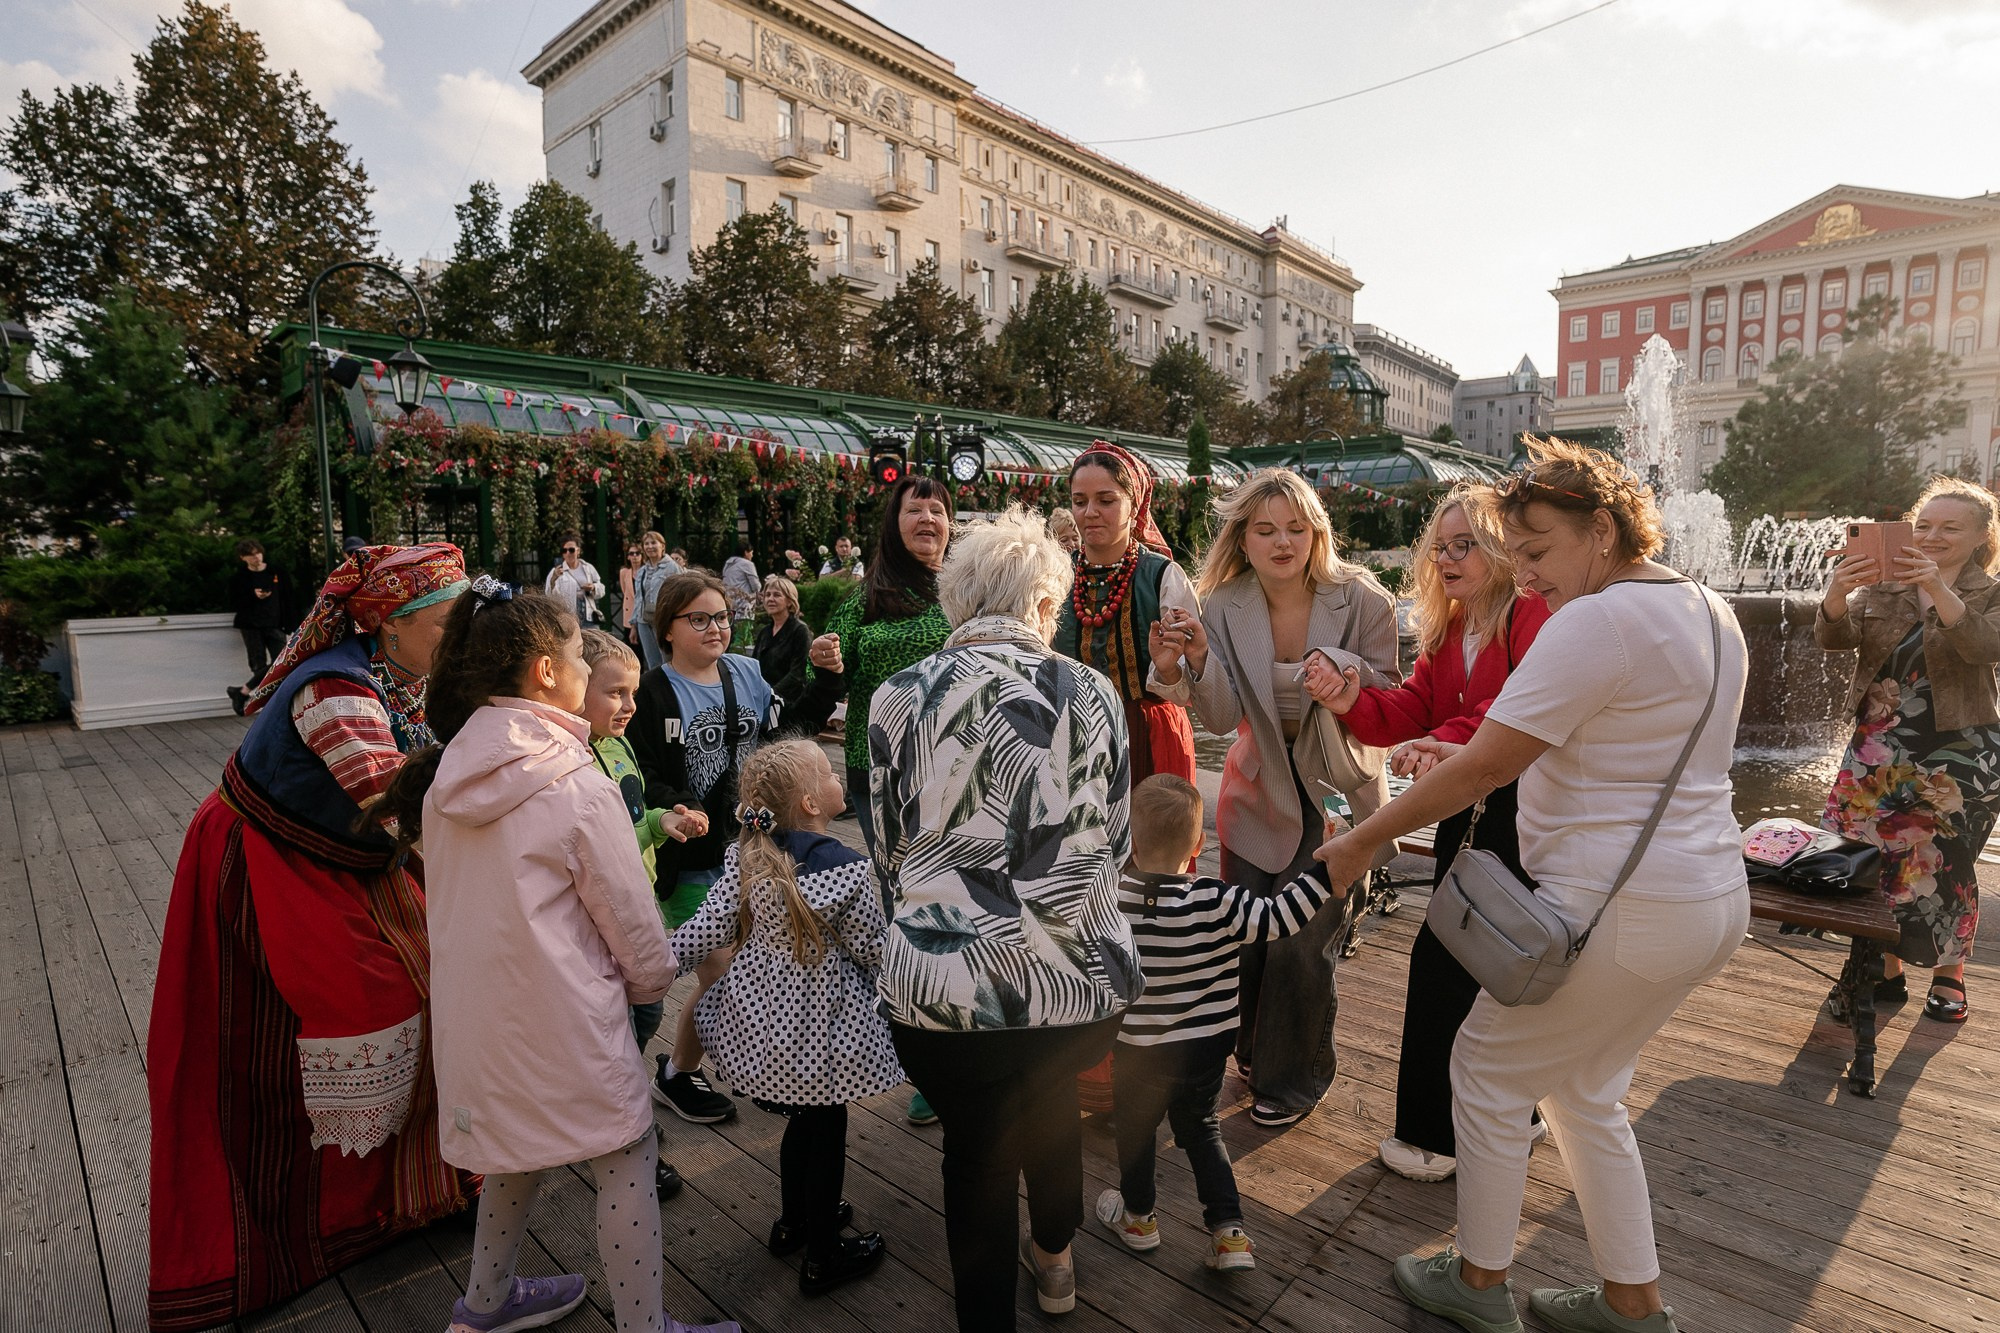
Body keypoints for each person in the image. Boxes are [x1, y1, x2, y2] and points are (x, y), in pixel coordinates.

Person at [1317, 437, 1748, 1333]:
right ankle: (1631, 1302)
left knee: (1483, 1071)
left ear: (1603, 530)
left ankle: (1477, 1285)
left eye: (1541, 551)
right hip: (1708, 901)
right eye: (1517, 556)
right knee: (1586, 1090)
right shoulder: (1713, 609)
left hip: (1616, 910)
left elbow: (1483, 768)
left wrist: (1362, 841)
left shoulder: (1600, 620)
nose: (1531, 576)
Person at [374, 583, 736, 1333]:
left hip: (476, 1016)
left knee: (514, 1149)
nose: (582, 661)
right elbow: (635, 929)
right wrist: (649, 983)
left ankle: (486, 1302)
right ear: (545, 670)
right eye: (576, 652)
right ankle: (644, 1325)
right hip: (567, 1014)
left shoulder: (446, 776)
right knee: (627, 1154)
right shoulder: (576, 782)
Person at [147, 544, 472, 1330]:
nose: (456, 638)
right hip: (273, 864)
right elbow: (400, 810)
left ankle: (413, 1190)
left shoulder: (394, 671)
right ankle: (309, 1223)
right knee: (333, 1020)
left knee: (434, 990)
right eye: (444, 624)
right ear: (389, 625)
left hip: (348, 858)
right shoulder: (336, 692)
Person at [869, 506, 1140, 1332]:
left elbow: (889, 850)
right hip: (1080, 983)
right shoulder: (1093, 692)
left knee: (977, 1151)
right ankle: (1055, 1262)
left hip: (943, 991)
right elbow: (1117, 842)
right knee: (1051, 1097)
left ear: (956, 604)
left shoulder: (897, 696)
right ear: (1045, 607)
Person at [1318, 484, 1552, 1182]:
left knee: (1450, 960)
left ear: (1501, 551)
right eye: (1440, 545)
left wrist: (1441, 743)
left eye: (1465, 544)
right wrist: (1352, 698)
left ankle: (1433, 1139)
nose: (1447, 558)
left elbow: (1512, 714)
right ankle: (1520, 1112)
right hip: (1469, 806)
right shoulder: (1454, 624)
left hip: (1519, 810)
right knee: (1493, 960)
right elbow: (1417, 707)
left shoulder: (1531, 616)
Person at [1154, 467, 1400, 1128]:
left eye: (1295, 527)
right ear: (1244, 535)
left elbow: (1391, 696)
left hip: (1338, 797)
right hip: (1255, 796)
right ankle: (1254, 1053)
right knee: (1251, 936)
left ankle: (1297, 1078)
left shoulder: (1365, 598)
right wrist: (1199, 660)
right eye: (1265, 529)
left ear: (1317, 530)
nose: (1282, 541)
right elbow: (1219, 714)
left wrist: (1344, 672)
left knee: (1304, 943)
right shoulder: (1225, 605)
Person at [670, 740, 902, 1296]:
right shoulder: (847, 872)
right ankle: (824, 1253)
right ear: (811, 803)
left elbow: (705, 931)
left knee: (803, 1123)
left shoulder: (750, 858)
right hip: (825, 1030)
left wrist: (644, 966)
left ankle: (794, 1220)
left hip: (764, 1020)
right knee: (825, 1129)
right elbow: (873, 949)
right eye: (827, 771)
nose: (836, 773)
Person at [1096, 775, 1342, 1274]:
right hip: (1206, 1049)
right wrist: (1326, 867)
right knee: (1203, 1131)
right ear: (1199, 843)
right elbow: (1282, 918)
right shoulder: (1216, 899)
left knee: (1137, 1134)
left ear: (1129, 840)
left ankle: (1140, 1218)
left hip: (1138, 1052)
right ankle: (1228, 1233)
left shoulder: (1112, 902)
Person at [796, 474, 954, 1127]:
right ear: (894, 523)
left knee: (961, 898)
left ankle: (965, 1037)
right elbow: (821, 674)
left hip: (959, 767)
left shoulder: (969, 584)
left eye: (937, 508)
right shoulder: (867, 595)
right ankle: (927, 1061)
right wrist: (824, 659)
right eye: (913, 507)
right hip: (882, 770)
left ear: (950, 522)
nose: (926, 516)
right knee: (908, 911)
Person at [1819, 475, 2000, 1025]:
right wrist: (1835, 594)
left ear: (1980, 539)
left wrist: (1940, 589)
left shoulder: (1991, 591)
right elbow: (1836, 639)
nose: (1933, 535)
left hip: (1960, 751)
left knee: (1945, 866)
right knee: (1877, 860)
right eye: (1924, 525)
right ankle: (1887, 969)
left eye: (1951, 527)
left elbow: (1985, 646)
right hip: (1879, 745)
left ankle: (1950, 976)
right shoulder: (1884, 588)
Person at [630, 571, 780, 1124]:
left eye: (721, 616)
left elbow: (788, 729)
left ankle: (678, 1072)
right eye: (699, 618)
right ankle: (762, 1067)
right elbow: (640, 772)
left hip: (750, 848)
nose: (715, 628)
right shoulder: (650, 692)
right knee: (725, 972)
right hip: (688, 857)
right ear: (666, 628)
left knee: (743, 967)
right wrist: (675, 808)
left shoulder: (746, 673)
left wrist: (827, 676)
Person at [578, 628, 711, 1200]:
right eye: (614, 694)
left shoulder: (618, 745)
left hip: (643, 899)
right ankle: (625, 1129)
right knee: (628, 1021)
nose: (630, 706)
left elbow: (635, 814)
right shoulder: (575, 757)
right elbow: (596, 840)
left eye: (633, 693)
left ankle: (620, 1104)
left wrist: (665, 818)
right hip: (607, 917)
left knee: (645, 1013)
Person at [1056, 442, 1200, 786]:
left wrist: (1167, 670)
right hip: (1071, 735)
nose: (1090, 512)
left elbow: (1195, 687)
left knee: (1153, 836)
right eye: (1080, 501)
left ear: (1133, 505)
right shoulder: (1054, 575)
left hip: (1151, 736)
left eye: (1106, 500)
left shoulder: (1164, 576)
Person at [226, 537, 290, 714]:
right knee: (258, 664)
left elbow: (287, 597)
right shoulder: (239, 578)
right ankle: (269, 705)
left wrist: (289, 623)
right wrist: (252, 595)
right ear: (243, 558)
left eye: (258, 553)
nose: (257, 558)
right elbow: (234, 602)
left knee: (282, 662)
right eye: (251, 556)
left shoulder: (276, 572)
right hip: (251, 625)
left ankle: (243, 691)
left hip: (275, 624)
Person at [750, 574, 813, 716]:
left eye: (777, 595)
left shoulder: (800, 631)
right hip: (762, 703)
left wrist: (770, 694)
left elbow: (798, 674)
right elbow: (753, 668)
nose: (770, 599)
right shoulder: (764, 633)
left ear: (789, 601)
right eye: (767, 595)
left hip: (788, 704)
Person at [633, 531, 683, 671]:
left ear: (662, 546)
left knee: (667, 659)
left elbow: (681, 592)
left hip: (663, 619)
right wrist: (634, 624)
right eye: (646, 543)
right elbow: (638, 597)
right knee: (651, 662)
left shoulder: (672, 567)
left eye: (654, 543)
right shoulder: (642, 570)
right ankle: (656, 691)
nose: (650, 546)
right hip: (644, 620)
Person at [545, 533, 605, 625]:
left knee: (593, 638)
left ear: (578, 551)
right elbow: (549, 595)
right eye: (564, 550)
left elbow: (602, 589)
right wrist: (554, 579)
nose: (568, 553)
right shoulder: (556, 571)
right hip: (569, 617)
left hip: (588, 614)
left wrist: (593, 587)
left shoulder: (588, 568)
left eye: (571, 550)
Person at [722, 543, 761, 646]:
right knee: (743, 635)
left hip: (730, 604)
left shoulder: (728, 563)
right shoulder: (747, 564)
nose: (752, 555)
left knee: (736, 634)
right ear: (746, 552)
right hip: (744, 605)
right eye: (751, 552)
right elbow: (756, 586)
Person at [617, 541, 645, 644]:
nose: (634, 556)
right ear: (628, 557)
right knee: (632, 647)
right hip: (629, 614)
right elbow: (625, 591)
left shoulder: (647, 572)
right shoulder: (624, 572)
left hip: (643, 614)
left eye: (637, 553)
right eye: (631, 554)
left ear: (642, 555)